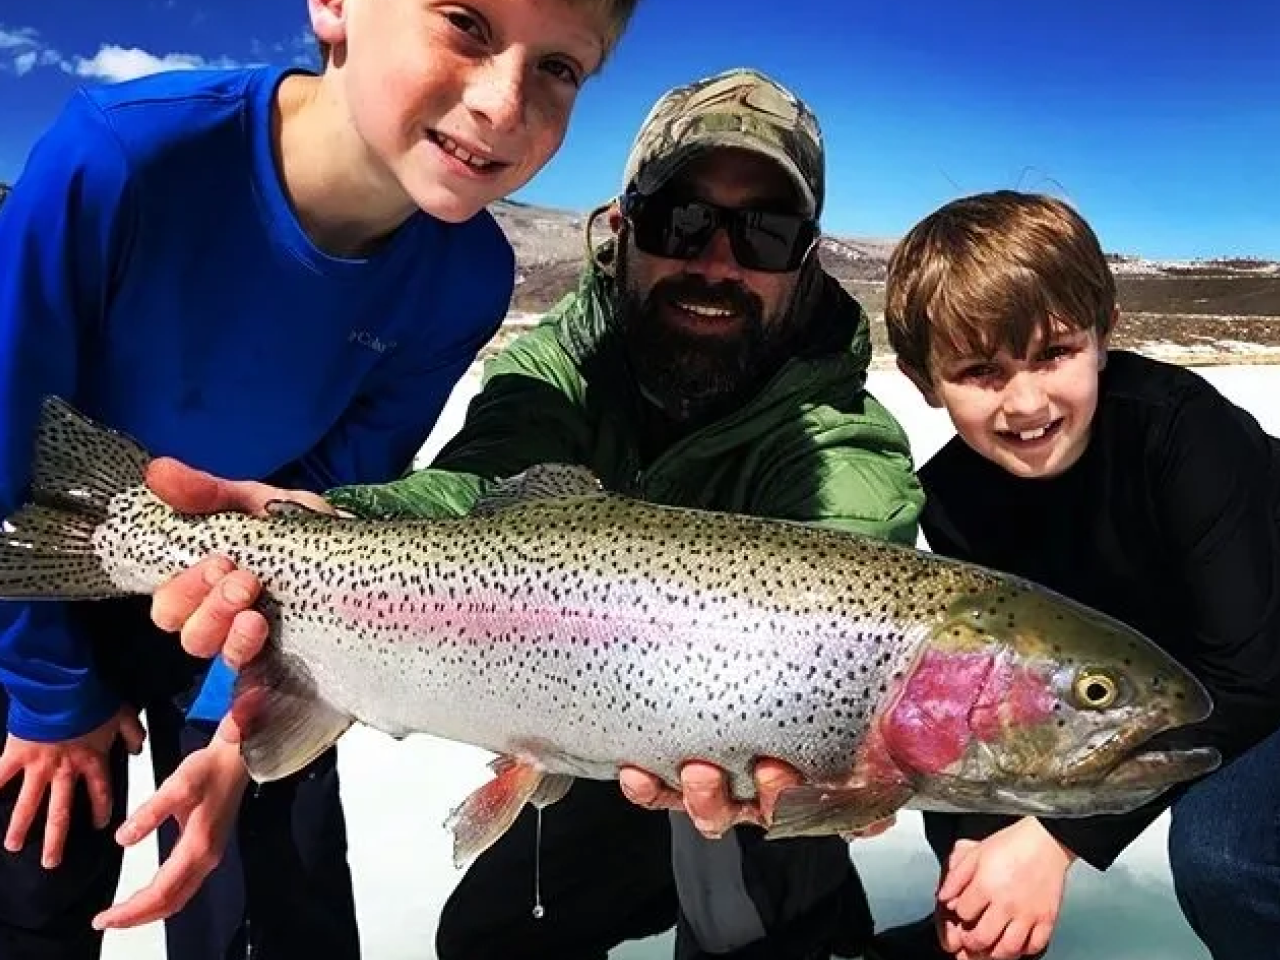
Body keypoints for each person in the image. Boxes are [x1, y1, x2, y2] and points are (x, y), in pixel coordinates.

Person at [131, 67, 927, 959]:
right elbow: (478, 490)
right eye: (683, 221)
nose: (716, 263)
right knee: (489, 941)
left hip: (746, 770)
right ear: (624, 231)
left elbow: (858, 570)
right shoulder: (558, 363)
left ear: (807, 260)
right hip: (576, 726)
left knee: (759, 914)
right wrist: (330, 524)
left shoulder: (842, 440)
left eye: (767, 234)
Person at [0, 0, 641, 957]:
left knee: (278, 911)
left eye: (558, 68)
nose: (506, 103)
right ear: (336, 8)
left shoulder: (466, 272)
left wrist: (231, 725)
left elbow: (332, 509)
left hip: (264, 600)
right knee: (33, 880)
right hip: (32, 582)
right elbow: (12, 438)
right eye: (466, 23)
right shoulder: (123, 158)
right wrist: (49, 694)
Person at [864, 189, 1280, 960]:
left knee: (1226, 858)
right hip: (1151, 679)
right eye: (981, 371)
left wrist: (1058, 838)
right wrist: (976, 858)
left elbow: (1252, 668)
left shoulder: (1183, 434)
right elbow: (986, 693)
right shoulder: (953, 497)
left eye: (1053, 353)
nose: (1026, 401)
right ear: (926, 381)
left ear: (1104, 335)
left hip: (1261, 664)